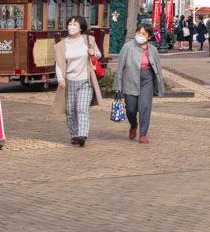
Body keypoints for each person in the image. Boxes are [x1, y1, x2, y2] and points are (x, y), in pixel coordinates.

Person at [52, 16, 103, 147]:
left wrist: (93, 53)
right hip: (69, 81)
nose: (72, 26)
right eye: (70, 23)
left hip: (86, 81)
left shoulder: (88, 40)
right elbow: (59, 64)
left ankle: (82, 134)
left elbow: (98, 54)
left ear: (81, 27)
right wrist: (60, 79)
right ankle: (74, 135)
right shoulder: (61, 45)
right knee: (70, 110)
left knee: (82, 108)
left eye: (75, 24)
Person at [113, 23, 164, 144]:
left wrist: (159, 85)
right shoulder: (127, 47)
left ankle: (143, 134)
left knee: (145, 106)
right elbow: (120, 68)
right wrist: (118, 86)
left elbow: (158, 69)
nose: (140, 35)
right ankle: (133, 125)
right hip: (130, 79)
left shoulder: (153, 49)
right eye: (138, 32)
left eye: (143, 34)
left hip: (147, 80)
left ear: (149, 36)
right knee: (130, 109)